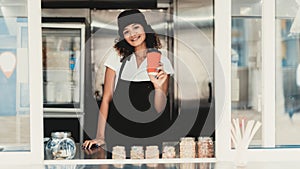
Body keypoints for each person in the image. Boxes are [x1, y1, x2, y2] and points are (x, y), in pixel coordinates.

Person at [82, 9, 174, 157]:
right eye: (126, 31)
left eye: (136, 27)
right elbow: (106, 98)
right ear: (122, 35)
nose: (132, 34)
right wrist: (100, 136)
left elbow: (159, 109)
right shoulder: (116, 56)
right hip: (119, 135)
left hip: (152, 137)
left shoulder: (162, 61)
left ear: (145, 27)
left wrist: (158, 87)